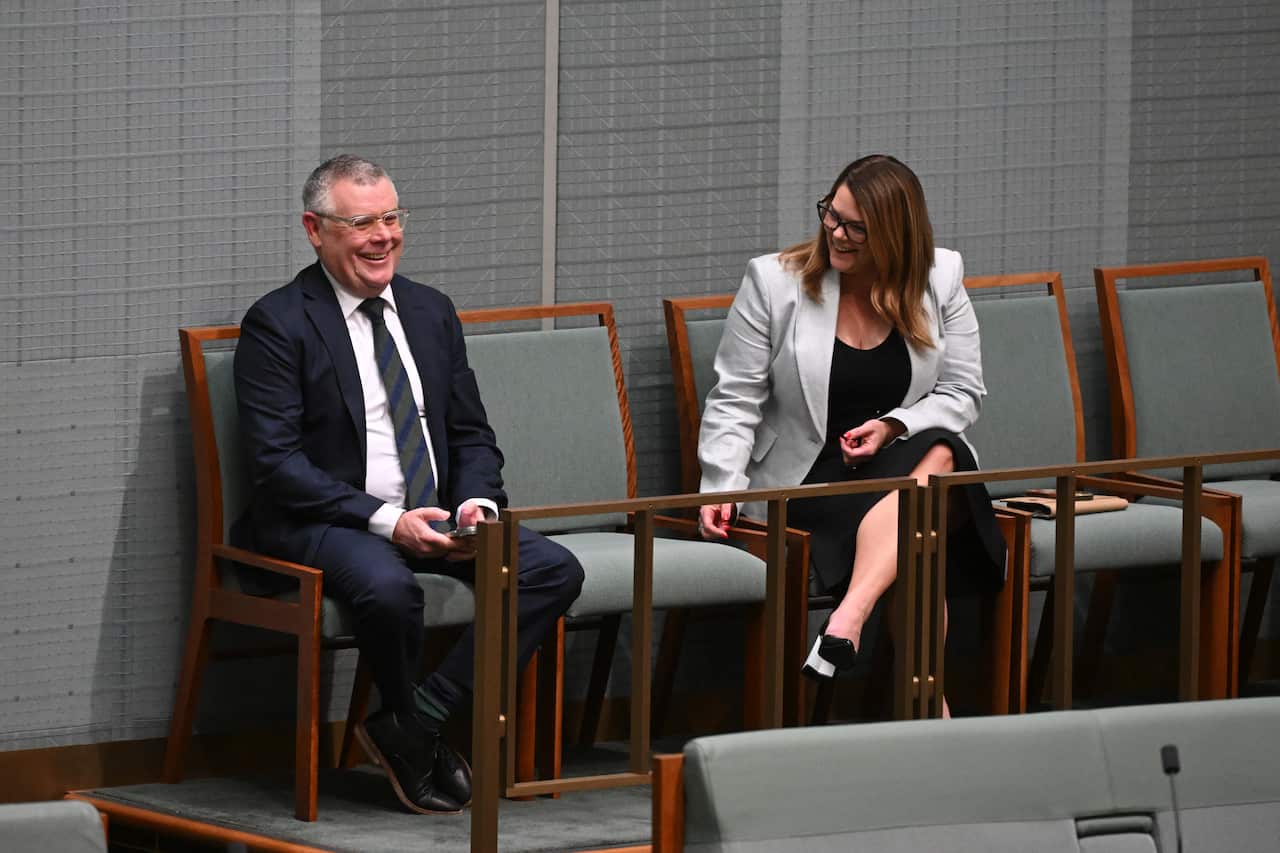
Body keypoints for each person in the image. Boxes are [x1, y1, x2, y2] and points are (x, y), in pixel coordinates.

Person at [233, 154, 584, 815]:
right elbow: (277, 465)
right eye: (362, 221)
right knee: (389, 587)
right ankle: (408, 727)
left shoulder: (430, 311)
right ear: (315, 229)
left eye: (392, 217)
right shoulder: (279, 323)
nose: (384, 236)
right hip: (330, 520)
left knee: (550, 568)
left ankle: (418, 718)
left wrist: (477, 505)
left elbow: (472, 434)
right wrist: (389, 521)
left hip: (440, 514)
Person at [696, 154, 1005, 708]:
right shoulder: (774, 282)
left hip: (896, 465)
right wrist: (723, 487)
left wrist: (892, 426)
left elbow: (963, 393)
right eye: (830, 215)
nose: (835, 233)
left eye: (855, 227)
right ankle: (930, 712)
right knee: (925, 527)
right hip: (806, 478)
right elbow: (734, 396)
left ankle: (848, 617)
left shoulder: (940, 277)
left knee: (938, 452)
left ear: (894, 233)